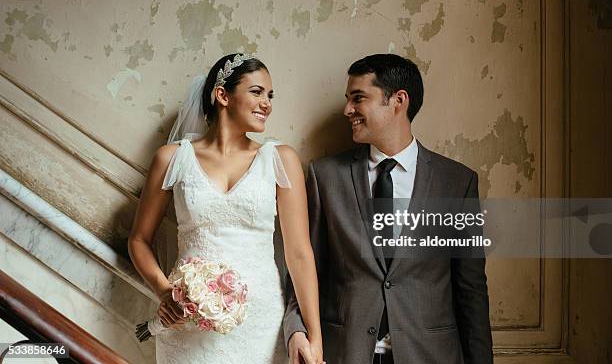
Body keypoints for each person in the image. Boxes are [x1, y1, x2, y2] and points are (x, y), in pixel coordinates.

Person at [284, 54, 493, 364]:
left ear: (398, 100)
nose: (347, 110)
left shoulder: (457, 183)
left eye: (358, 98)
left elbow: (471, 290)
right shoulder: (325, 177)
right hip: (346, 353)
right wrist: (295, 330)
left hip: (430, 355)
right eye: (348, 99)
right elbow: (304, 270)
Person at [128, 53, 324, 364]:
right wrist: (166, 293)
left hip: (258, 322)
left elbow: (299, 253)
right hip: (187, 316)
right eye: (257, 92)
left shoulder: (281, 159)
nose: (267, 104)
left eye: (270, 95)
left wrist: (314, 337)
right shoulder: (172, 159)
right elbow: (138, 240)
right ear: (223, 95)